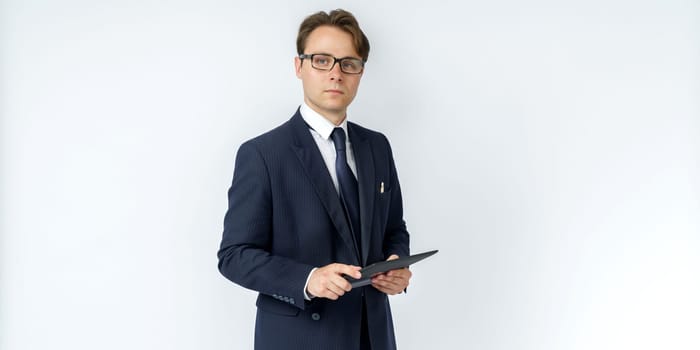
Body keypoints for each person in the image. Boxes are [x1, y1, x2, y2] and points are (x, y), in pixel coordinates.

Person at [217, 9, 411, 350]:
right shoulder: (262, 154)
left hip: (373, 335)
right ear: (299, 67)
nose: (336, 73)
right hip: (301, 337)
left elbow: (394, 229)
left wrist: (396, 265)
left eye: (349, 63)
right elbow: (234, 255)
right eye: (322, 60)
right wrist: (308, 279)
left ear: (360, 72)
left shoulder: (377, 146)